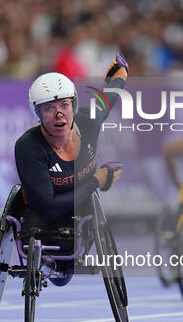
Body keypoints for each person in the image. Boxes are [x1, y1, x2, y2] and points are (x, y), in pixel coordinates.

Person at [14, 55, 128, 261]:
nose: (59, 114)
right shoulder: (28, 147)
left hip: (79, 212)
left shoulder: (89, 119)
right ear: (37, 114)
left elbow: (107, 99)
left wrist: (118, 77)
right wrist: (96, 181)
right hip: (42, 218)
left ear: (74, 106)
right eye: (49, 108)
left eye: (64, 105)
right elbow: (48, 208)